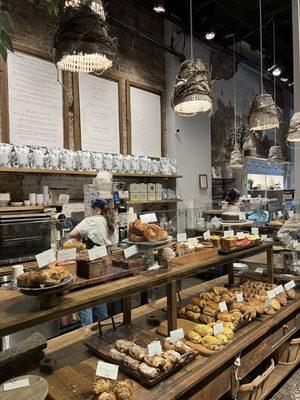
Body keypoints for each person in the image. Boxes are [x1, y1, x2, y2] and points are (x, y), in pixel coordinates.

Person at [70, 198, 118, 326]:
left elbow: (72, 234)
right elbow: (114, 241)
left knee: (86, 295)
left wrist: (83, 236)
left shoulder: (91, 220)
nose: (91, 212)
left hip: (92, 258)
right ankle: (105, 327)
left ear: (97, 209)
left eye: (92, 209)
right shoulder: (111, 220)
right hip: (106, 257)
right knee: (100, 293)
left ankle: (86, 330)